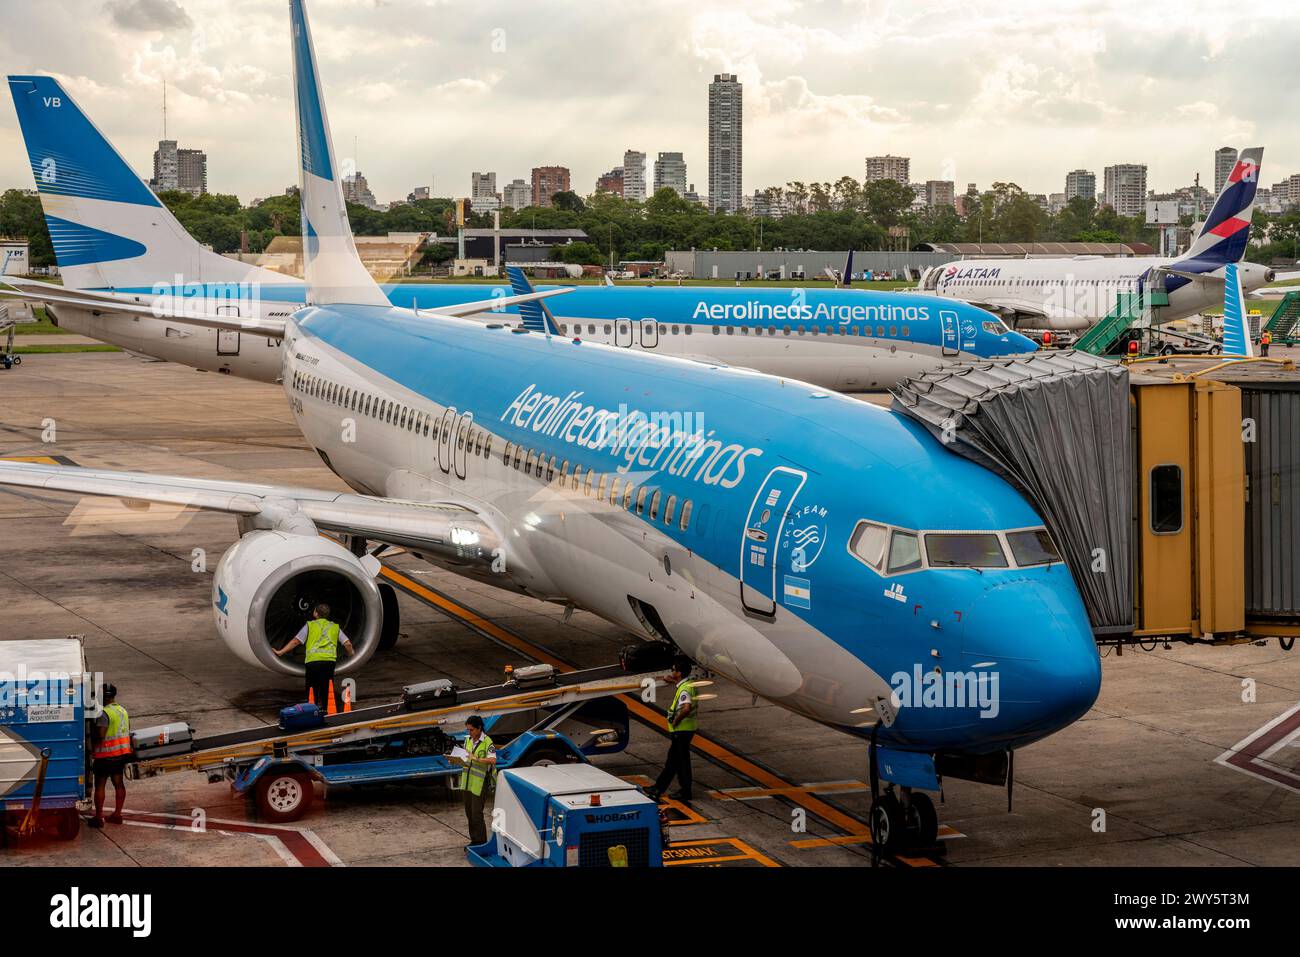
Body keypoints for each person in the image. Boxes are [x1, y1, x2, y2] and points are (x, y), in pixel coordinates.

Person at [275, 603, 354, 711]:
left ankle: (312, 709)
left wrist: (281, 652)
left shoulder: (309, 625)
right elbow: (347, 644)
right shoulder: (335, 627)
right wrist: (350, 654)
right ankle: (326, 708)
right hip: (328, 662)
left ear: (315, 613)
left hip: (313, 662)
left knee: (312, 687)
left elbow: (296, 641)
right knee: (326, 686)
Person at [648, 655, 699, 804]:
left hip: (681, 731)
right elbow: (682, 686)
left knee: (673, 762)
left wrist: (676, 720)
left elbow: (686, 708)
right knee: (682, 762)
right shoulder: (689, 683)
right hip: (687, 730)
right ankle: (684, 790)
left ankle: (658, 789)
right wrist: (671, 680)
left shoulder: (684, 690)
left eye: (673, 670)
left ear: (679, 672)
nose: (672, 671)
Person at [89, 683, 131, 829]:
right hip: (120, 755)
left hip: (105, 756)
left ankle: (99, 817)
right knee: (118, 784)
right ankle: (117, 814)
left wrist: (91, 737)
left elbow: (100, 735)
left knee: (100, 785)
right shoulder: (122, 711)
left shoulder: (103, 713)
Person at [460, 715, 497, 846]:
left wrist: (475, 758)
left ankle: (481, 842)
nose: (469, 732)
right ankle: (474, 840)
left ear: (479, 728)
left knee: (476, 814)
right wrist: (455, 759)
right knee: (469, 813)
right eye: (468, 730)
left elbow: (493, 760)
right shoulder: (468, 740)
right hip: (468, 782)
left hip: (480, 783)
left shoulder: (487, 741)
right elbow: (465, 757)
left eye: (471, 730)